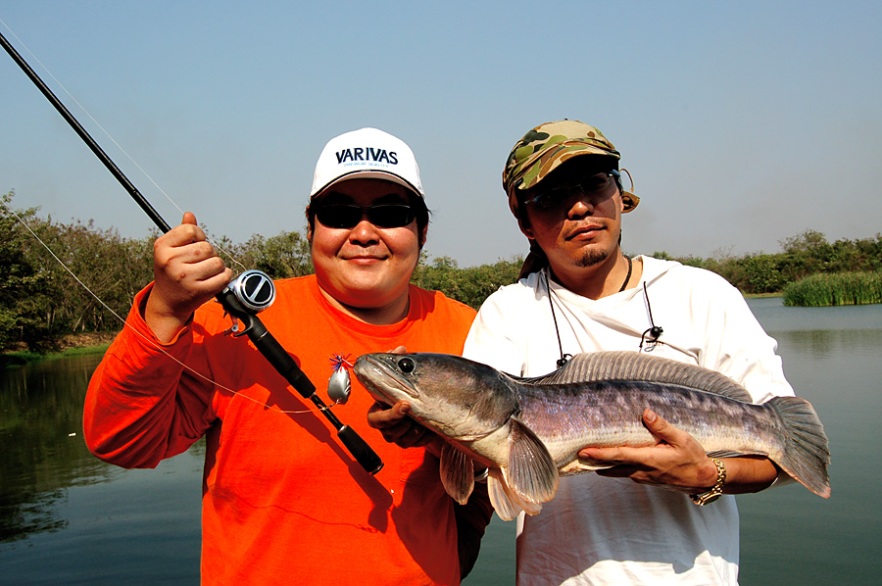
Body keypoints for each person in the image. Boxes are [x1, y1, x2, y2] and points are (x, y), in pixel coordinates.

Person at [83, 127, 492, 585]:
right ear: (311, 225)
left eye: (391, 213)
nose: (362, 232)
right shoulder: (232, 324)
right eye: (339, 213)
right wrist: (163, 310)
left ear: (422, 229)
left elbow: (509, 475)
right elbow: (121, 441)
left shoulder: (474, 333)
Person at [460, 119, 800, 584]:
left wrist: (708, 475)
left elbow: (784, 454)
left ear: (620, 194)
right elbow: (487, 458)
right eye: (552, 197)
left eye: (595, 184)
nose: (580, 206)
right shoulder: (507, 312)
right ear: (525, 222)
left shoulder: (703, 295)